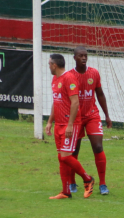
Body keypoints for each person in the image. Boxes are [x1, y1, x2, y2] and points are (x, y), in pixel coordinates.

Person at [45, 53, 95, 200]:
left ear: (54, 65)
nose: (48, 66)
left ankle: (87, 179)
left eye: (49, 64)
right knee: (61, 158)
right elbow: (56, 101)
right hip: (58, 124)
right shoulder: (55, 79)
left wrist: (70, 125)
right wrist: (49, 122)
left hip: (69, 125)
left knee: (66, 157)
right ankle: (65, 192)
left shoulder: (69, 78)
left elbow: (75, 102)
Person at [66, 46, 111, 195]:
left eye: (85, 55)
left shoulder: (94, 73)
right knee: (74, 150)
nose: (84, 58)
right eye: (80, 56)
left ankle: (102, 184)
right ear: (74, 58)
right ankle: (72, 182)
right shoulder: (70, 77)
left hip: (92, 114)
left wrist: (107, 115)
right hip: (76, 117)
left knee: (98, 147)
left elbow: (100, 94)